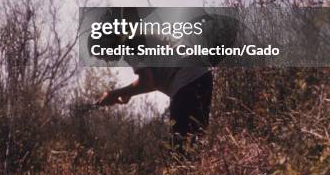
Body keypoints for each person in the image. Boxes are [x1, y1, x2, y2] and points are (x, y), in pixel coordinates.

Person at [93, 8, 238, 149]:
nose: (105, 59)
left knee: (181, 149)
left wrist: (114, 94)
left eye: (102, 52)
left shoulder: (129, 44)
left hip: (186, 81)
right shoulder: (137, 36)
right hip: (201, 76)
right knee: (194, 143)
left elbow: (147, 81)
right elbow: (153, 79)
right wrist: (128, 93)